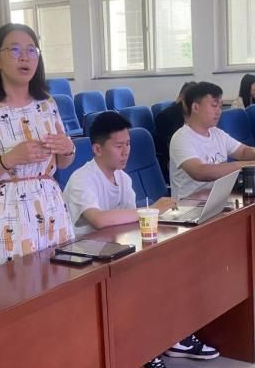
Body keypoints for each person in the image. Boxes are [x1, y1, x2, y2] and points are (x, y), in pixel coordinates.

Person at [63, 111, 219, 367]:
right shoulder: (82, 179)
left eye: (128, 144)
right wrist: (151, 210)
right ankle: (146, 347)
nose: (126, 151)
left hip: (115, 250)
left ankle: (172, 336)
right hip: (86, 260)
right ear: (97, 149)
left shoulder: (123, 178)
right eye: (119, 146)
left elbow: (130, 221)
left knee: (170, 262)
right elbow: (98, 219)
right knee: (143, 280)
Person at [0, 23, 76, 266]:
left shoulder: (47, 104)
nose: (25, 57)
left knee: (62, 278)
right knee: (14, 283)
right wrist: (8, 159)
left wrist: (67, 148)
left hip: (50, 205)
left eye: (32, 50)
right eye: (14, 50)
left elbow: (63, 162)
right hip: (5, 210)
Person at [168, 81, 255, 300]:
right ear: (195, 107)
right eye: (214, 105)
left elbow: (243, 151)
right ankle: (233, 285)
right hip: (192, 208)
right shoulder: (182, 138)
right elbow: (199, 171)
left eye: (220, 105)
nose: (219, 110)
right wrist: (241, 166)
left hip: (220, 199)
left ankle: (254, 278)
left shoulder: (216, 133)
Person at [153, 81, 196, 182]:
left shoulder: (193, 114)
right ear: (182, 98)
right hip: (175, 163)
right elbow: (172, 148)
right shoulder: (166, 117)